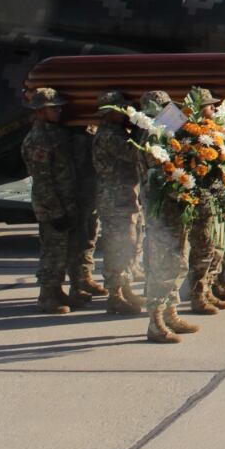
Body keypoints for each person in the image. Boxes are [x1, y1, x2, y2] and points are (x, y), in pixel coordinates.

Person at [138, 91, 202, 343]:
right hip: (160, 211)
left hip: (174, 209)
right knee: (162, 265)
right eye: (165, 108)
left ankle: (171, 313)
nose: (170, 113)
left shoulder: (164, 133)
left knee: (178, 262)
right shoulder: (151, 136)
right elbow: (162, 171)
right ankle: (155, 322)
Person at [20, 88, 80, 314]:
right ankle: (46, 295)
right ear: (40, 111)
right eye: (54, 107)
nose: (59, 110)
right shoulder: (38, 140)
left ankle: (56, 291)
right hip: (51, 205)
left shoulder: (55, 133)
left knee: (63, 249)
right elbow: (42, 180)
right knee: (52, 251)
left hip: (64, 201)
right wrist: (55, 211)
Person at [92, 91, 146, 315]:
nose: (125, 112)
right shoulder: (109, 135)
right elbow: (134, 153)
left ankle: (124, 289)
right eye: (121, 109)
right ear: (110, 112)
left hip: (123, 196)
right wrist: (143, 129)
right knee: (117, 247)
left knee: (128, 245)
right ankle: (115, 296)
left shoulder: (117, 132)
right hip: (114, 199)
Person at [186, 88, 225, 314]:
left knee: (211, 250)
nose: (213, 108)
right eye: (209, 105)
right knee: (201, 252)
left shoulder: (212, 131)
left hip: (212, 202)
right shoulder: (189, 136)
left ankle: (207, 292)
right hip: (200, 205)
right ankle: (197, 297)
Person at [65, 122, 106, 307]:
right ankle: (76, 285)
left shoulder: (90, 131)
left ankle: (85, 277)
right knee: (77, 240)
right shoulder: (71, 133)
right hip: (77, 193)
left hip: (91, 191)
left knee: (90, 236)